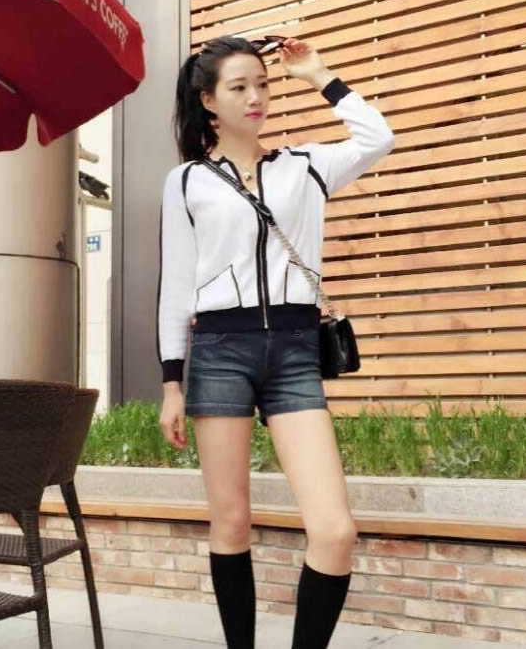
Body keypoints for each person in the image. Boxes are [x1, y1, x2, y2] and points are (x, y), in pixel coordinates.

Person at [157, 35, 395, 648]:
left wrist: (319, 74)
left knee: (335, 531)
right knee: (232, 522)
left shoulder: (306, 165)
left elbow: (378, 138)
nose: (256, 97)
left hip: (293, 351)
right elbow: (176, 288)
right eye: (239, 87)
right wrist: (171, 383)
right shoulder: (186, 182)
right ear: (209, 101)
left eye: (261, 84)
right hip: (221, 352)